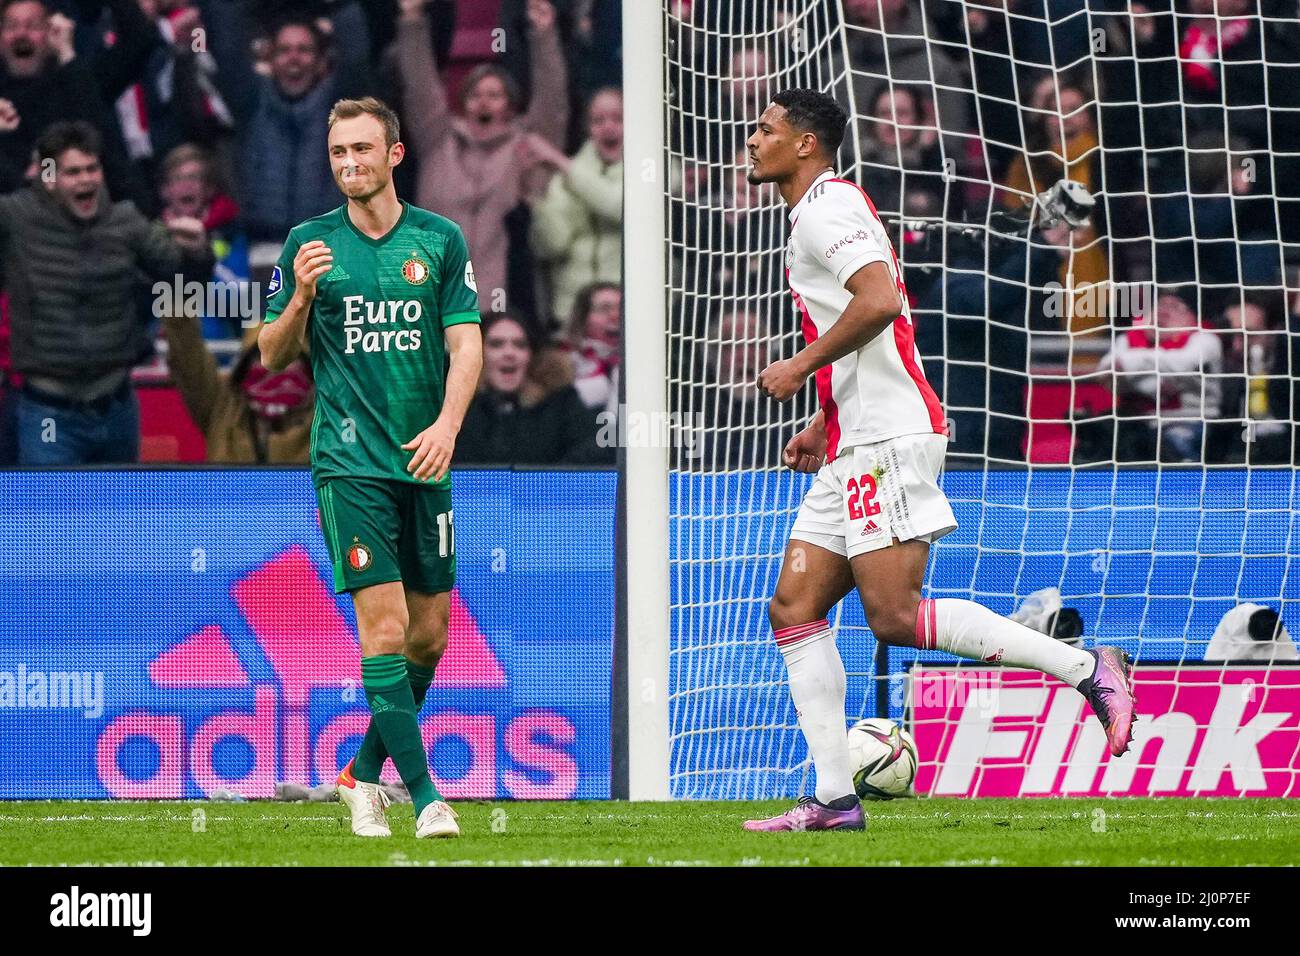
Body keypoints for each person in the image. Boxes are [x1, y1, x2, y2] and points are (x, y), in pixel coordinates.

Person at [741, 89, 1136, 832]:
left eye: (766, 128)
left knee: (892, 616)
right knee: (795, 609)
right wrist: (825, 419)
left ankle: (1087, 669)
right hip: (854, 437)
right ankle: (832, 799)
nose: (752, 138)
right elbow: (870, 328)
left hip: (889, 437)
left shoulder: (827, 208)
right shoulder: (820, 209)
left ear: (805, 145)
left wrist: (798, 367)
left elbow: (883, 302)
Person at [258, 96, 483, 840]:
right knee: (383, 629)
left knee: (431, 636)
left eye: (362, 150)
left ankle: (358, 777)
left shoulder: (440, 239)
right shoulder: (307, 244)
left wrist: (449, 425)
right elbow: (270, 353)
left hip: (426, 460)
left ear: (394, 154)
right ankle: (425, 800)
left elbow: (466, 343)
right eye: (337, 154)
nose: (349, 164)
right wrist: (302, 297)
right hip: (349, 463)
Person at [0, 120, 211, 465]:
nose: (86, 180)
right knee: (51, 515)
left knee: (118, 516)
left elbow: (183, 286)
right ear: (49, 176)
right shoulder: (16, 219)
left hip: (116, 407)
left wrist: (200, 253)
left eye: (92, 168)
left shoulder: (126, 222)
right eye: (73, 172)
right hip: (49, 412)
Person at [394, 0, 567, 318]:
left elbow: (552, 99)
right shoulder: (438, 140)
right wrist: (413, 20)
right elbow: (419, 85)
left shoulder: (527, 145)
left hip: (505, 307)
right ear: (462, 103)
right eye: (475, 95)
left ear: (511, 105)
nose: (484, 103)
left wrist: (543, 36)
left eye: (495, 95)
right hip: (435, 301)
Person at [457, 313, 610, 465]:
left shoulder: (562, 403)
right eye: (496, 344)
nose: (509, 353)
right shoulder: (454, 406)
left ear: (532, 355)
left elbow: (587, 455)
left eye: (520, 345)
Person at [1092, 290, 1223, 463]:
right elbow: (1105, 371)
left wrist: (1130, 365)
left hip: (1188, 422)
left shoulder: (1206, 340)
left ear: (1194, 317)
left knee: (1172, 445)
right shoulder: (1127, 339)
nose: (1163, 313)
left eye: (1176, 308)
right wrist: (1156, 385)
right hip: (1136, 422)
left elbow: (1182, 365)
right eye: (1160, 305)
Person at [529, 86, 622, 324]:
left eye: (618, 118)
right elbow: (551, 246)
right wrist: (536, 201)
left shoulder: (654, 169)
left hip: (630, 312)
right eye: (597, 120)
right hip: (572, 313)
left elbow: (618, 207)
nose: (608, 127)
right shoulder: (565, 177)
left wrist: (560, 162)